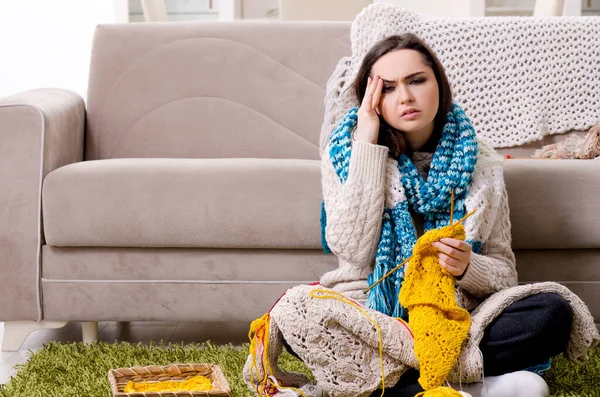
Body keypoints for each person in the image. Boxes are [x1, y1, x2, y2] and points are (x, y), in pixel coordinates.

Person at [243, 33, 598, 397]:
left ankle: (396, 387)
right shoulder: (347, 154)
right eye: (389, 88)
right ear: (372, 99)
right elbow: (350, 248)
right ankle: (469, 382)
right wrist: (367, 144)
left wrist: (467, 267)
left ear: (439, 84)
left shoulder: (482, 164)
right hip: (374, 318)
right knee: (295, 315)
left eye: (416, 81)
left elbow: (505, 272)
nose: (406, 97)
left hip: (458, 318)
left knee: (551, 312)